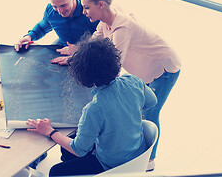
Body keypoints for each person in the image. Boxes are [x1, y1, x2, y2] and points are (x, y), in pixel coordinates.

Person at [51, 0, 181, 171]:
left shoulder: (122, 29)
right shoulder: (106, 20)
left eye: (86, 7)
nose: (83, 12)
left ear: (101, 5)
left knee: (150, 113)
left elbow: (112, 64)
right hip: (144, 70)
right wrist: (75, 58)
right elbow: (94, 42)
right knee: (133, 106)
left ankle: (148, 161)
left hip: (163, 68)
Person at [27, 37, 157, 176]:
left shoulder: (94, 109)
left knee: (55, 171)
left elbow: (79, 150)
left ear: (83, 76)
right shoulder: (133, 80)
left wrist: (50, 132)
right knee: (67, 147)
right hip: (137, 153)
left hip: (112, 165)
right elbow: (152, 102)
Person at [15, 0, 99, 51]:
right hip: (63, 47)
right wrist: (29, 36)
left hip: (87, 53)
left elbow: (103, 43)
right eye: (55, 6)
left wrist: (79, 50)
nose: (60, 11)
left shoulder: (89, 12)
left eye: (63, 5)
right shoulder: (51, 11)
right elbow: (42, 28)